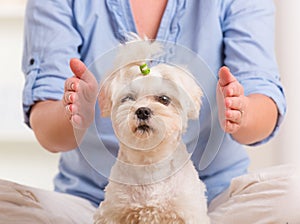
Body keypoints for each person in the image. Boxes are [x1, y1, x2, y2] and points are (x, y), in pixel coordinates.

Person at [1, 0, 299, 223]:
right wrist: (77, 114)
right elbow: (49, 131)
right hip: (89, 202)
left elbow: (263, 96)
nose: (144, 110)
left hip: (217, 201)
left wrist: (241, 112)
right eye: (130, 100)